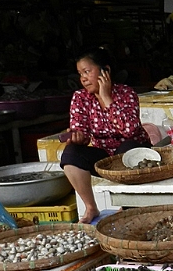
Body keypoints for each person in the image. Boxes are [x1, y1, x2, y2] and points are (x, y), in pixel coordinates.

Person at [60, 47, 151, 223]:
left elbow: (130, 130)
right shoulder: (80, 97)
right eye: (80, 74)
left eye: (87, 71)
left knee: (127, 148)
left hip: (134, 155)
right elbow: (82, 130)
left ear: (105, 71)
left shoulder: (126, 93)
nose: (83, 78)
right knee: (71, 153)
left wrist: (106, 98)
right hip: (105, 158)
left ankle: (128, 206)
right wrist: (78, 137)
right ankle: (91, 207)